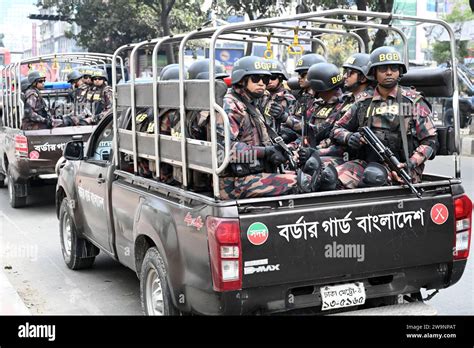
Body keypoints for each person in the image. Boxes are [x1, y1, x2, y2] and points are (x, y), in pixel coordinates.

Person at [218, 56, 335, 199]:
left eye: (265, 79)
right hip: (232, 182)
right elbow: (224, 150)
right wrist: (265, 152)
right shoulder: (232, 106)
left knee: (319, 177)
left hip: (252, 174)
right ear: (241, 80)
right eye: (255, 78)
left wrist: (278, 152)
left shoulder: (251, 103)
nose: (261, 83)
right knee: (305, 183)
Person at [331, 46, 438, 188]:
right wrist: (350, 137)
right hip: (366, 164)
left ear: (399, 71)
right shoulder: (363, 102)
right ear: (374, 73)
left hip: (403, 168)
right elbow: (337, 129)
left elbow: (430, 142)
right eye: (383, 69)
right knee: (329, 178)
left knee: (373, 176)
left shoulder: (412, 102)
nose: (389, 73)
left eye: (393, 68)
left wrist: (410, 163)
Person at [291, 53, 327, 141]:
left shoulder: (325, 99)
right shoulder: (300, 96)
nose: (299, 77)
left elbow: (314, 130)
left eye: (303, 74)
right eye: (299, 74)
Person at [260, 59, 298, 138]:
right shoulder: (263, 97)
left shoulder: (288, 99)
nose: (269, 81)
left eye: (273, 77)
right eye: (266, 78)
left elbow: (295, 127)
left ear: (280, 78)